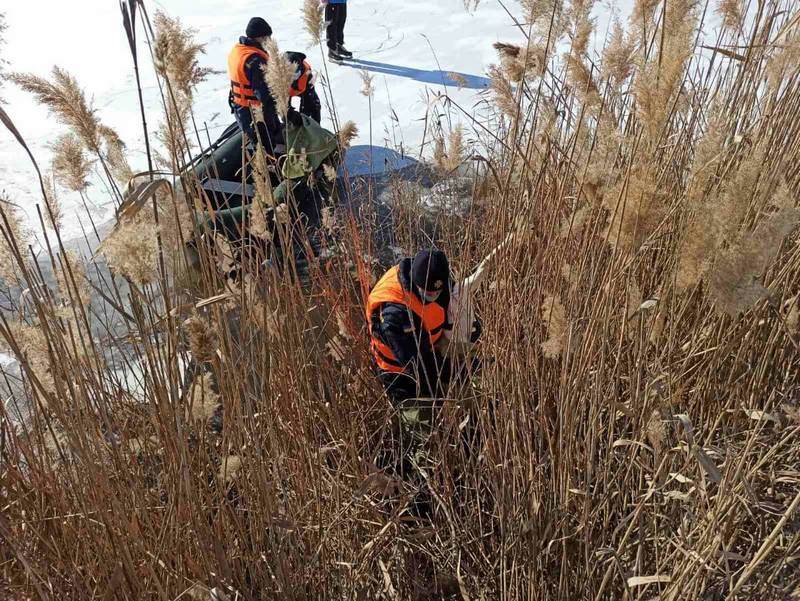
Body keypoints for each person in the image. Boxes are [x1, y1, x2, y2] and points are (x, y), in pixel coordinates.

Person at [366, 250, 454, 405]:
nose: (433, 296)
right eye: (428, 293)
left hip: (431, 352)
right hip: (401, 373)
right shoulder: (395, 313)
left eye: (437, 292)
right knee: (421, 421)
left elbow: (452, 298)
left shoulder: (436, 273)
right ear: (416, 283)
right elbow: (418, 365)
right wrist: (457, 370)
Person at [227, 17, 292, 154]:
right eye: (267, 37)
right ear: (260, 37)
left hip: (239, 106)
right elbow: (264, 94)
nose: (269, 41)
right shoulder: (255, 60)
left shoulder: (238, 49)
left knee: (262, 142)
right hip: (255, 112)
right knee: (265, 146)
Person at [286, 52, 322, 124]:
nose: (293, 78)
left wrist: (303, 119)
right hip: (285, 93)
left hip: (303, 90)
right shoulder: (278, 75)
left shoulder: (308, 73)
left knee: (315, 105)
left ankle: (316, 128)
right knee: (286, 114)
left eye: (295, 75)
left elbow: (308, 99)